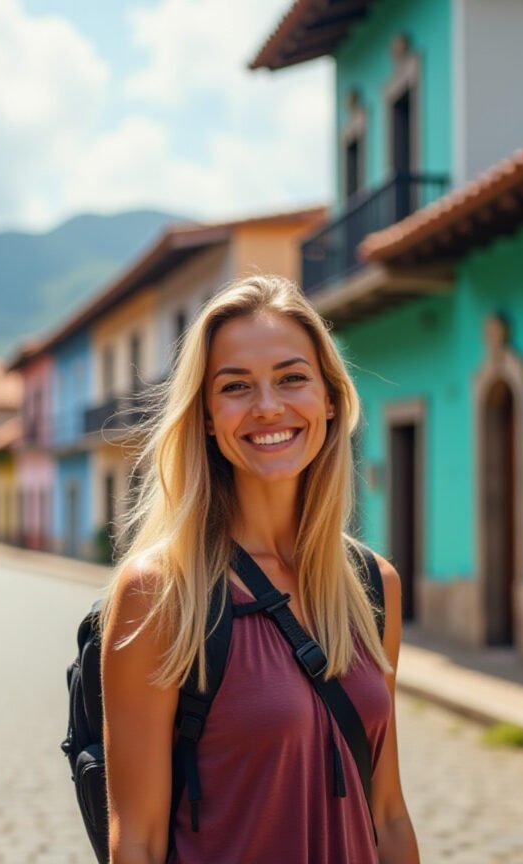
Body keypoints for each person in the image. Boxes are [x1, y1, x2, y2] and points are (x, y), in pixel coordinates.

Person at [99, 275, 420, 863]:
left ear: (329, 399)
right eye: (236, 386)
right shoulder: (160, 593)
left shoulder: (373, 586)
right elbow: (138, 845)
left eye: (292, 378)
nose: (268, 406)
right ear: (206, 417)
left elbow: (389, 814)